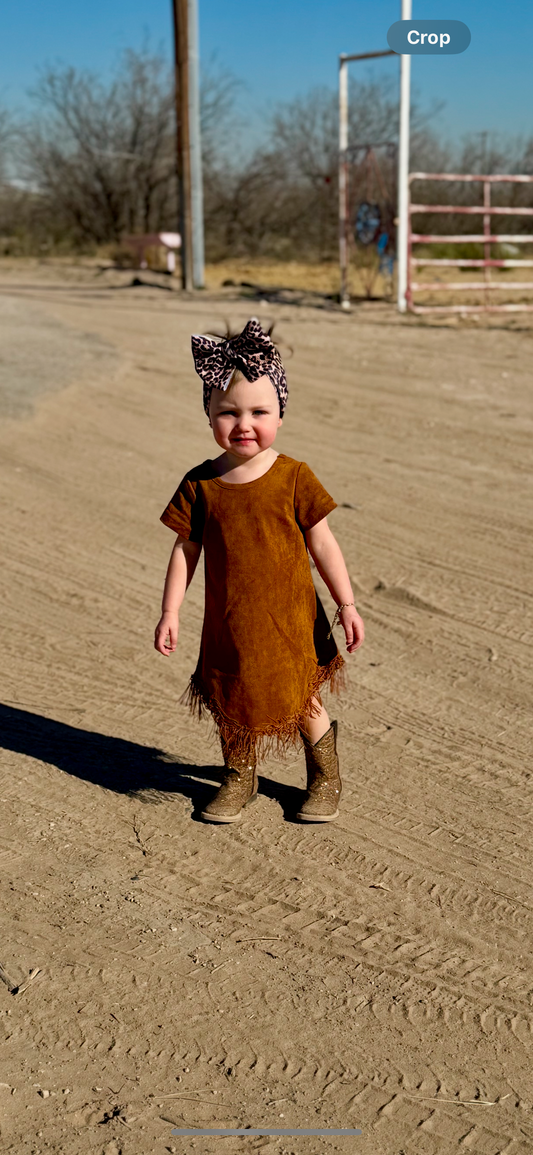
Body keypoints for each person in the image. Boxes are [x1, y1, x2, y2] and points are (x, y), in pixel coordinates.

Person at [154, 318, 364, 825]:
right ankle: (239, 776)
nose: (243, 423)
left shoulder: (293, 476)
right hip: (228, 621)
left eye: (259, 411)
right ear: (208, 415)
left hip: (290, 620)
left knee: (303, 698)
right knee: (231, 696)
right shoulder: (201, 483)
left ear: (280, 414)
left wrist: (347, 603)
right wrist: (170, 611)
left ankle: (325, 777)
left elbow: (322, 542)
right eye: (228, 412)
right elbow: (186, 550)